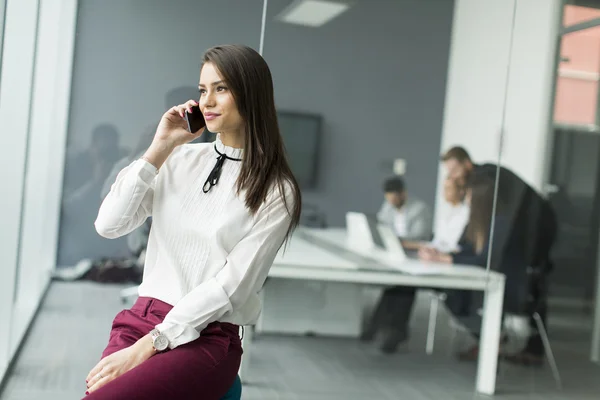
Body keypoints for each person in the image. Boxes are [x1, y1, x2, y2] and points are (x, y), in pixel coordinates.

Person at [83, 44, 302, 399]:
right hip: (142, 317)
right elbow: (109, 224)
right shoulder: (180, 158)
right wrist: (160, 147)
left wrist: (147, 347)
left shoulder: (276, 189)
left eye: (222, 88)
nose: (207, 101)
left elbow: (231, 287)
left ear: (251, 95)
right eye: (202, 90)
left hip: (206, 334)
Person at [440, 146, 557, 364]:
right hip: (528, 227)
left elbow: (487, 220)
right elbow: (481, 222)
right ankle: (492, 340)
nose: (451, 176)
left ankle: (509, 344)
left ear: (467, 164)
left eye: (454, 170)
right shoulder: (485, 179)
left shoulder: (486, 178)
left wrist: (456, 255)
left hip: (537, 227)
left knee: (528, 282)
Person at [376, 176, 432, 246]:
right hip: (393, 246)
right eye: (388, 199)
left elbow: (420, 236)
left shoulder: (420, 209)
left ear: (403, 193)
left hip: (413, 249)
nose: (391, 202)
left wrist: (396, 240)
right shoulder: (388, 206)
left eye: (394, 199)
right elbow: (380, 224)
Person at [427, 176, 469, 253]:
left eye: (449, 188)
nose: (445, 192)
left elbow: (455, 245)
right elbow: (437, 240)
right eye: (444, 188)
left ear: (461, 191)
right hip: (435, 253)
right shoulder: (443, 210)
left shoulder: (466, 213)